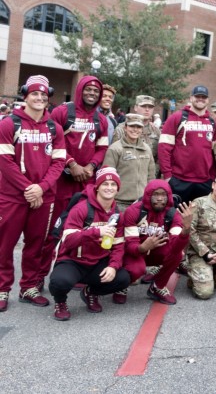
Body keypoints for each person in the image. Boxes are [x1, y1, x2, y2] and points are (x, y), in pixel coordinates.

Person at [0, 75, 65, 312]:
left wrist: (41, 188)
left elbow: (58, 163)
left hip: (44, 197)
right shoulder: (9, 123)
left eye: (43, 95)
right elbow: (5, 161)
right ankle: (2, 288)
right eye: (34, 94)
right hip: (12, 196)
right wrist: (29, 188)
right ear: (25, 96)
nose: (39, 98)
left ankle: (28, 287)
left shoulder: (54, 128)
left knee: (36, 244)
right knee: (4, 245)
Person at [42, 76, 109, 288]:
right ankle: (40, 276)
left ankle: (75, 270)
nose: (92, 93)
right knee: (54, 228)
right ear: (80, 89)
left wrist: (90, 167)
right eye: (88, 89)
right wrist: (71, 164)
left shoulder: (102, 120)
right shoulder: (63, 112)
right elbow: (51, 141)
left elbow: (101, 148)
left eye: (96, 91)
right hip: (61, 180)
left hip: (85, 181)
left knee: (81, 227)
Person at [48, 167, 131, 321]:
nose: (109, 188)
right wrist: (96, 231)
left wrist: (113, 266)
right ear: (97, 187)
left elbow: (118, 246)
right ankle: (60, 302)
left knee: (123, 278)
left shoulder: (117, 214)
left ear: (118, 189)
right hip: (73, 260)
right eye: (105, 184)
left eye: (113, 184)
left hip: (98, 261)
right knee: (59, 282)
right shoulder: (81, 208)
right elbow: (68, 241)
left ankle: (91, 292)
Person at [119, 180, 193, 305]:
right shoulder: (133, 211)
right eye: (156, 194)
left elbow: (175, 248)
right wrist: (143, 247)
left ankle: (157, 287)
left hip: (155, 251)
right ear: (148, 195)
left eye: (163, 195)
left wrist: (185, 231)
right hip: (134, 252)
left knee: (178, 255)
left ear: (168, 196)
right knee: (137, 270)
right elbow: (128, 245)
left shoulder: (173, 214)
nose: (159, 199)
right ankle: (121, 285)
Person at [158, 85, 216, 204]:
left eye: (204, 97)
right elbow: (164, 148)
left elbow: (215, 152)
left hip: (204, 182)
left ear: (208, 100)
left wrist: (212, 177)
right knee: (177, 218)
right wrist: (168, 176)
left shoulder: (211, 121)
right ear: (191, 98)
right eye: (197, 96)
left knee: (200, 220)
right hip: (180, 180)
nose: (200, 99)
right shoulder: (177, 117)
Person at [103, 114, 155, 211]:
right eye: (132, 126)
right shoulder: (115, 149)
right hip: (119, 203)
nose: (135, 129)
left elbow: (151, 177)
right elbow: (107, 177)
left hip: (141, 203)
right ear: (125, 127)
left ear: (142, 129)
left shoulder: (147, 149)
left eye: (138, 127)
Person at [113, 95, 161, 171]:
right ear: (135, 107)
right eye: (143, 106)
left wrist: (153, 173)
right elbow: (113, 156)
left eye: (150, 107)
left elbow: (159, 158)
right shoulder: (122, 129)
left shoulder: (156, 131)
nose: (147, 109)